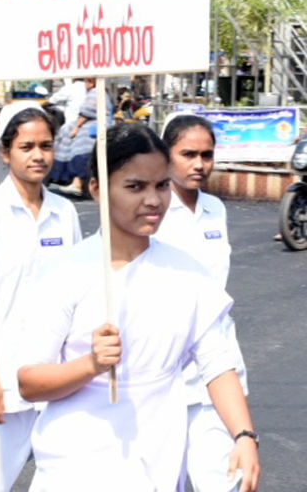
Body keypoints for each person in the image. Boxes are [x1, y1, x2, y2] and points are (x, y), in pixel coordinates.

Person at [17, 123, 259, 492]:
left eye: (161, 185)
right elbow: (29, 383)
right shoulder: (64, 272)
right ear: (97, 189)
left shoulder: (186, 271)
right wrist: (91, 365)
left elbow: (217, 362)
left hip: (158, 454)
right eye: (135, 187)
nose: (153, 200)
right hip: (78, 463)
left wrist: (243, 435)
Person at [0, 107, 82, 491]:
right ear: (5, 152)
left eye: (45, 146)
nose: (38, 155)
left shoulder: (64, 212)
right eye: (26, 146)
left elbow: (77, 289)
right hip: (7, 367)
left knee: (64, 472)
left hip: (57, 370)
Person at [156, 114, 250, 492]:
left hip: (216, 363)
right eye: (188, 154)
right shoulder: (151, 210)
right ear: (166, 154)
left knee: (225, 480)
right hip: (162, 369)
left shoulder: (216, 209)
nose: (199, 164)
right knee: (163, 480)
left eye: (206, 155)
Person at [51, 77, 112, 196]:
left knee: (80, 154)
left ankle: (77, 183)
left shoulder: (95, 93)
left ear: (91, 82)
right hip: (97, 128)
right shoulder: (100, 93)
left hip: (89, 131)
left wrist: (76, 127)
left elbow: (87, 112)